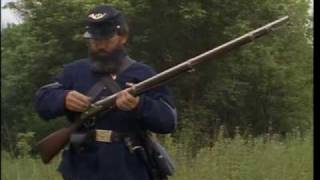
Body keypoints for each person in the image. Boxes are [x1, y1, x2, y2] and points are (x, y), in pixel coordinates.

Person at [34, 4, 177, 180]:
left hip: (129, 167)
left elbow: (168, 121)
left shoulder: (144, 73)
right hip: (82, 167)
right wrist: (63, 98)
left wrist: (140, 105)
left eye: (106, 39)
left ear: (122, 37)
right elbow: (42, 101)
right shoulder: (74, 71)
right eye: (95, 40)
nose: (100, 45)